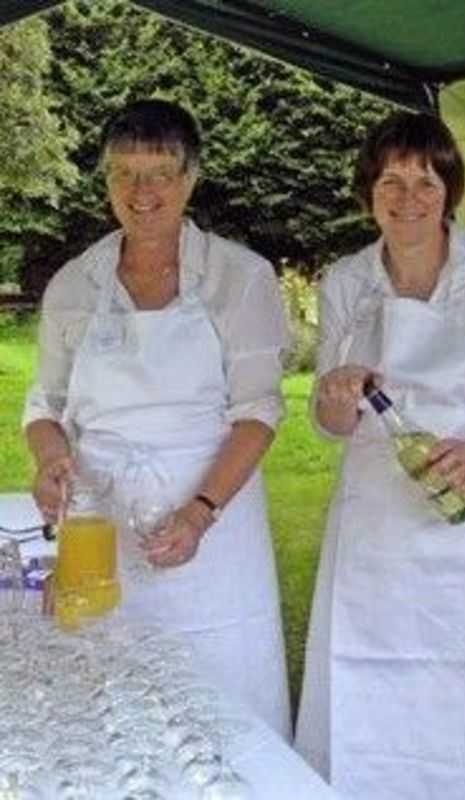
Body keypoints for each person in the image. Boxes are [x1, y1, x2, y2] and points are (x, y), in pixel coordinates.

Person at [293, 111, 465, 799]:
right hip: (377, 527)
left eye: (426, 181)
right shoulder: (348, 281)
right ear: (369, 191)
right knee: (373, 688)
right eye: (392, 181)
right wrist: (336, 391)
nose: (408, 198)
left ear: (450, 192)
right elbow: (329, 423)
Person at [23, 99, 291, 738]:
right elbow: (45, 407)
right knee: (111, 711)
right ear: (106, 179)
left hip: (215, 530)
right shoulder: (75, 283)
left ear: (191, 178)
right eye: (124, 174)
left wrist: (199, 511)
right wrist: (50, 459)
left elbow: (259, 411)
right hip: (101, 527)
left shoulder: (241, 277)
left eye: (159, 173)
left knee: (224, 711)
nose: (141, 193)